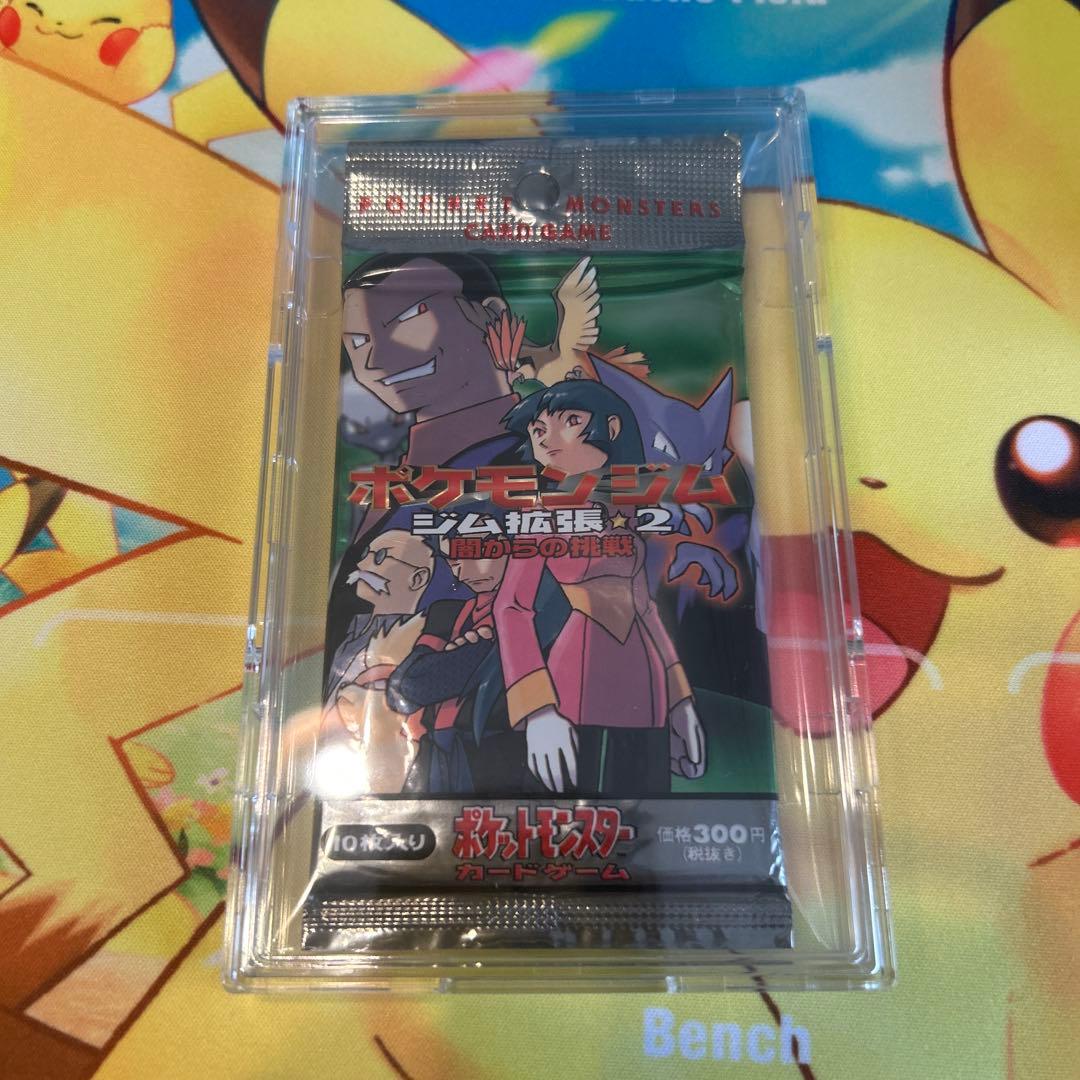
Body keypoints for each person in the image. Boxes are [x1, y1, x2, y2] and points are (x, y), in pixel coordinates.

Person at [495, 380, 707, 794]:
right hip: (576, 681)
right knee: (572, 806)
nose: (548, 439)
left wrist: (680, 700)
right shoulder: (543, 514)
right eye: (538, 430)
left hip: (646, 683)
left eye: (570, 421)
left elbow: (645, 608)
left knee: (646, 807)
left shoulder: (630, 510)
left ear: (611, 428)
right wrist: (537, 709)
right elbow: (512, 608)